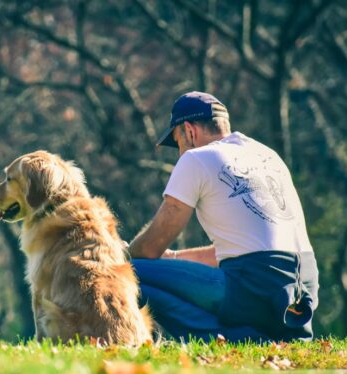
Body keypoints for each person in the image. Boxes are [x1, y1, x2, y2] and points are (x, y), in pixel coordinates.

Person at [128, 91, 319, 342]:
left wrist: (120, 254)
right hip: (305, 288)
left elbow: (151, 248)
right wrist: (174, 258)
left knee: (126, 274)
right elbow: (250, 250)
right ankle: (273, 334)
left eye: (178, 143)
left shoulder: (196, 158)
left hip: (254, 286)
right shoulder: (268, 155)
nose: (179, 154)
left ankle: (237, 338)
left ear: (190, 131)